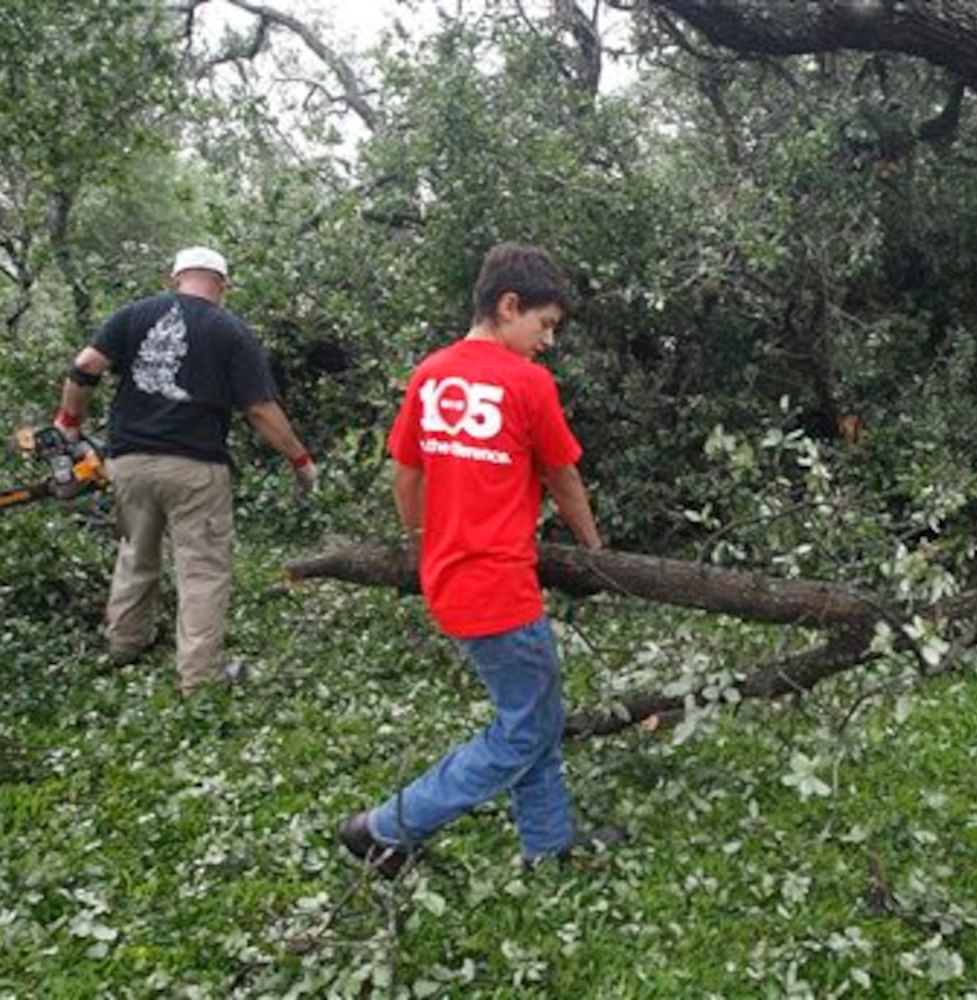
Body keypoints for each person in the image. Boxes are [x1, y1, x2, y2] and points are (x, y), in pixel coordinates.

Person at [339, 242, 616, 877]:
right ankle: (384, 827)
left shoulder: (430, 373)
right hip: (500, 588)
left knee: (533, 718)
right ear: (508, 305)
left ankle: (547, 851)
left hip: (450, 580)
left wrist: (421, 540)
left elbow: (406, 475)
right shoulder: (527, 382)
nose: (547, 342)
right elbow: (563, 476)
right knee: (523, 729)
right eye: (544, 325)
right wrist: (594, 551)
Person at [53, 246, 317, 695]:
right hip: (195, 469)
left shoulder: (131, 316)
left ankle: (124, 645)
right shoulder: (232, 332)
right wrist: (300, 459)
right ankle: (200, 680)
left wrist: (69, 424)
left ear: (174, 277)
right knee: (202, 570)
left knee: (135, 553)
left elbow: (84, 368)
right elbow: (259, 409)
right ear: (223, 286)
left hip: (129, 463)